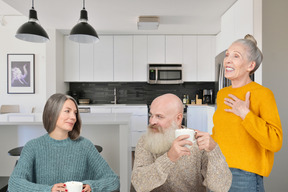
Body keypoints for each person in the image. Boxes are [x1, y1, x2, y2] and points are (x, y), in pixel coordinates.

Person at [212, 34, 283, 192]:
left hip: (244, 176)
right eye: (227, 55)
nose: (228, 60)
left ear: (250, 65)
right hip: (217, 171)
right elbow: (221, 134)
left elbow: (275, 141)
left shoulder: (263, 94)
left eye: (236, 56)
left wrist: (245, 114)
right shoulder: (222, 94)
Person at [8, 93, 120, 192]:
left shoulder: (85, 145)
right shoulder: (33, 146)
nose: (73, 117)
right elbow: (14, 184)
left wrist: (92, 186)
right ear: (51, 115)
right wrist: (48, 190)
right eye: (67, 111)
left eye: (75, 113)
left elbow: (113, 180)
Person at [131, 93, 232, 192]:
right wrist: (169, 158)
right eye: (151, 115)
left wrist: (214, 151)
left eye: (159, 116)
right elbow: (139, 184)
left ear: (178, 119)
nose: (152, 121)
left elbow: (221, 187)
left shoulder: (198, 142)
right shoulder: (145, 141)